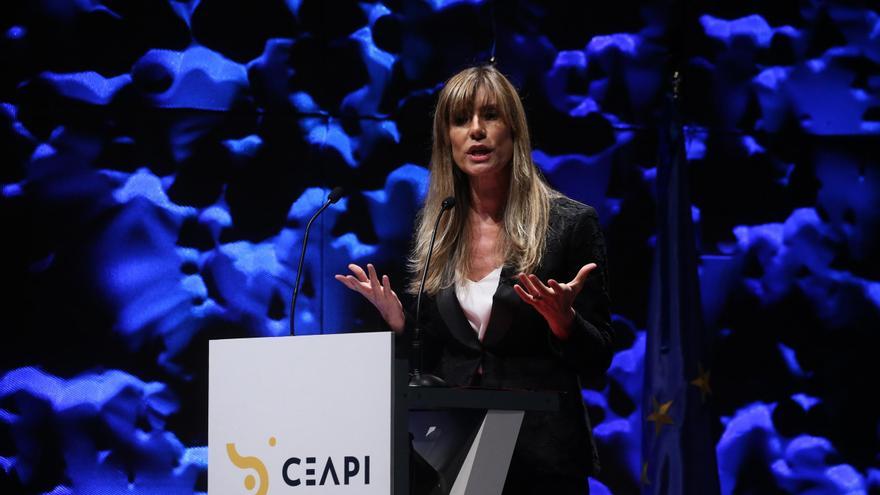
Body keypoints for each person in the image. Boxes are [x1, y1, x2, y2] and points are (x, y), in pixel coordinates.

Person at [335, 64, 614, 495]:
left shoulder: (569, 224)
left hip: (540, 459)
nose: (476, 131)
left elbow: (598, 360)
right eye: (461, 120)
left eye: (491, 115)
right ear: (447, 139)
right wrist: (400, 326)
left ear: (514, 129)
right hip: (454, 456)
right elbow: (438, 356)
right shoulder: (439, 227)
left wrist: (565, 322)